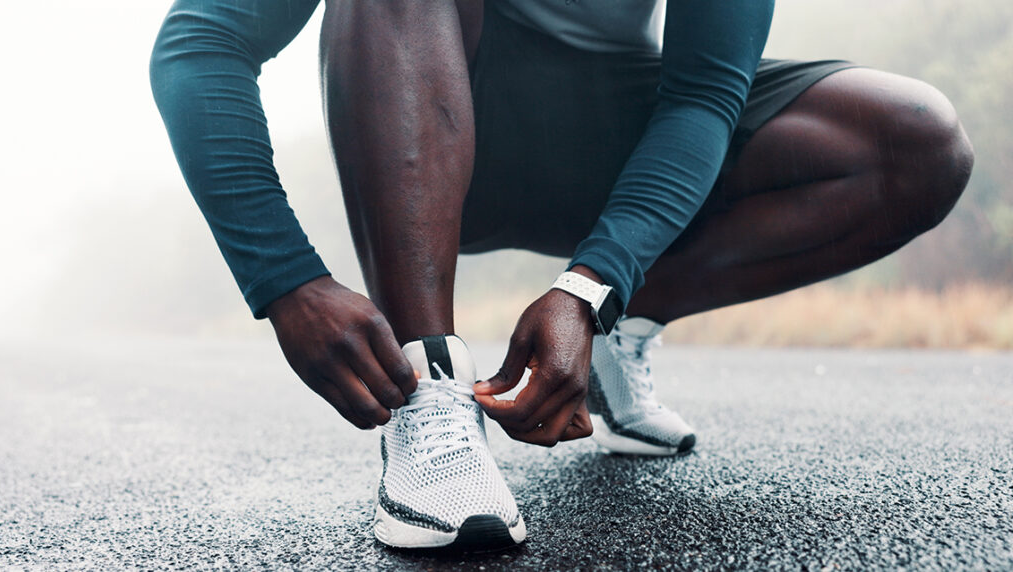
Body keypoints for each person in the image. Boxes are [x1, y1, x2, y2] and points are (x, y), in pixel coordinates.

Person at [150, 0, 973, 550]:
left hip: (622, 148)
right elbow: (199, 42)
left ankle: (618, 325)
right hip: (442, 136)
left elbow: (703, 97)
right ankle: (430, 385)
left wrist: (594, 286)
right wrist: (287, 280)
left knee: (918, 139)